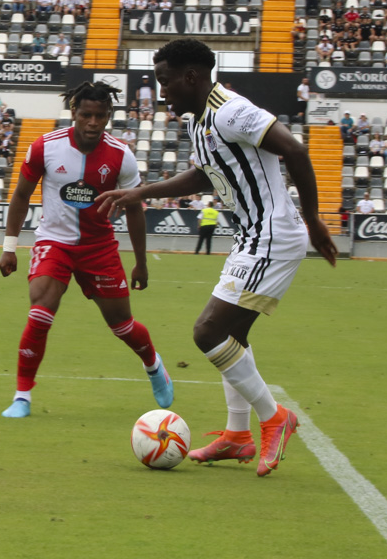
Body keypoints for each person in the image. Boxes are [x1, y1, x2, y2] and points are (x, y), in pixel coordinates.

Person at [96, 38, 338, 477]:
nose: (161, 91)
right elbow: (206, 175)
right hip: (250, 236)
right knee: (231, 338)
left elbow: (296, 150)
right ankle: (237, 436)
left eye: (165, 82)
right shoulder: (198, 121)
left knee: (208, 332)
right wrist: (142, 191)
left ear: (191, 77)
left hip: (272, 235)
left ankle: (275, 419)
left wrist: (315, 220)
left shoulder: (230, 110)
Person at [0, 81, 174, 419]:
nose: (93, 122)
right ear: (74, 113)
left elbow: (135, 209)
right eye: (86, 115)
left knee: (122, 325)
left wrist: (141, 263)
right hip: (54, 242)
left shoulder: (121, 155)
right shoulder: (44, 147)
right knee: (40, 311)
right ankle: (22, 397)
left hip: (99, 247)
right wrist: (9, 247)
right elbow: (20, 195)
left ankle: (153, 365)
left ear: (109, 116)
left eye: (101, 116)